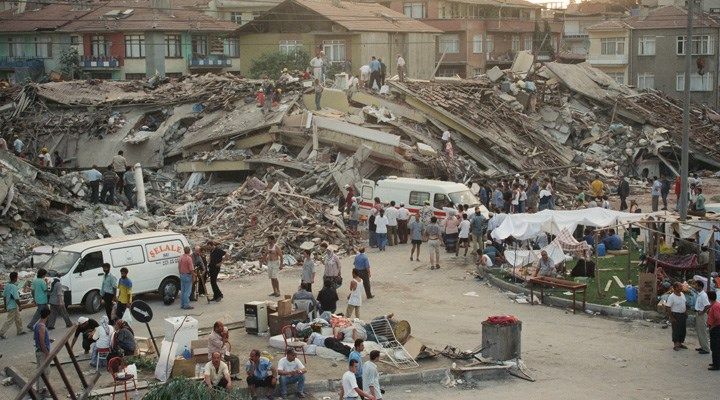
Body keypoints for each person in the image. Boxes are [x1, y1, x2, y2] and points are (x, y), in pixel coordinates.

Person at [0, 272, 26, 339]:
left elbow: (4, 296)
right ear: (15, 278)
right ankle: (2, 332)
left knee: (18, 318)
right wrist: (20, 306)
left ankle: (20, 330)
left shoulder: (7, 285)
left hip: (9, 305)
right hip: (13, 306)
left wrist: (5, 305)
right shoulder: (13, 287)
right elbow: (16, 298)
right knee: (10, 320)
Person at [33, 308, 52, 395]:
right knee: (45, 371)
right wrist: (46, 353)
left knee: (40, 370)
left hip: (39, 351)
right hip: (42, 352)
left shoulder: (37, 324)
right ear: (47, 315)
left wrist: (48, 340)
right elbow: (41, 341)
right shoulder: (42, 326)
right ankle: (41, 390)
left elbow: (38, 338)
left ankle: (40, 388)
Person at [665, 282, 688, 351]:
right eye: (679, 287)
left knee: (683, 330)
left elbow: (685, 303)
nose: (681, 288)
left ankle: (680, 343)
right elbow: (668, 307)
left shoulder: (682, 294)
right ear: (675, 288)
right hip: (676, 315)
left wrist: (686, 312)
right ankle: (676, 345)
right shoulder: (671, 297)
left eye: (681, 286)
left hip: (683, 315)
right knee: (676, 330)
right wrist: (672, 317)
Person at [693, 281, 711, 354]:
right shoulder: (699, 294)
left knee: (702, 332)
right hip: (698, 313)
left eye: (696, 285)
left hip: (701, 315)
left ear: (700, 286)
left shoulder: (703, 295)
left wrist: (702, 312)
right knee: (699, 331)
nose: (695, 286)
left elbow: (707, 305)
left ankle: (706, 348)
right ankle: (703, 346)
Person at [707, 290, 720, 370]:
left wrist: (712, 326)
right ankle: (715, 362)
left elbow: (718, 318)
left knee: (715, 347)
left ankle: (716, 365)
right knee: (715, 346)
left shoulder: (715, 306)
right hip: (716, 328)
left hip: (716, 328)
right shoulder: (716, 304)